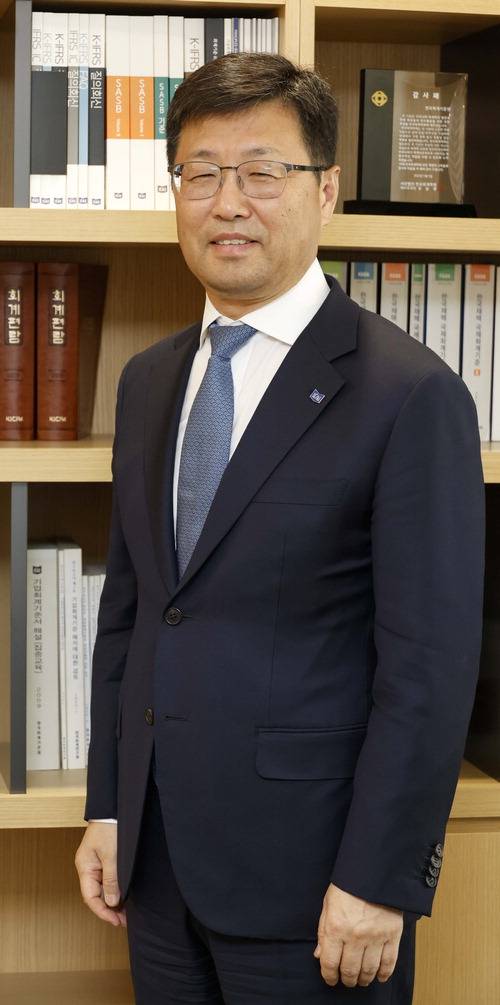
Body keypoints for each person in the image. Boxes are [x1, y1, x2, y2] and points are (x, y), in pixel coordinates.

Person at [75, 52, 485, 1004]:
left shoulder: (410, 393)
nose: (228, 203)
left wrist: (379, 880)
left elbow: (429, 667)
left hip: (320, 887)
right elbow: (131, 617)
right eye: (200, 173)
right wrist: (109, 805)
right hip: (156, 870)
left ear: (326, 190)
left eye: (262, 172)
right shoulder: (147, 382)